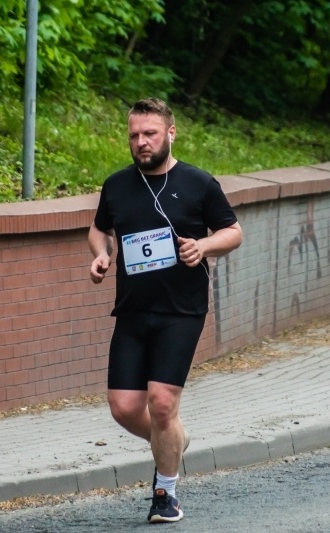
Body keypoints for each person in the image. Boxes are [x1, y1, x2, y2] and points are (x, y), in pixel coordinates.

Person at [88, 98, 242, 523]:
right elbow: (100, 228)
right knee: (122, 406)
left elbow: (233, 231)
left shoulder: (198, 183)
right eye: (134, 135)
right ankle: (173, 439)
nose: (141, 142)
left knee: (160, 402)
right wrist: (102, 255)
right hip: (133, 310)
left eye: (149, 134)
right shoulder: (117, 185)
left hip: (181, 310)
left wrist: (203, 246)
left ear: (170, 133)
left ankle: (166, 493)